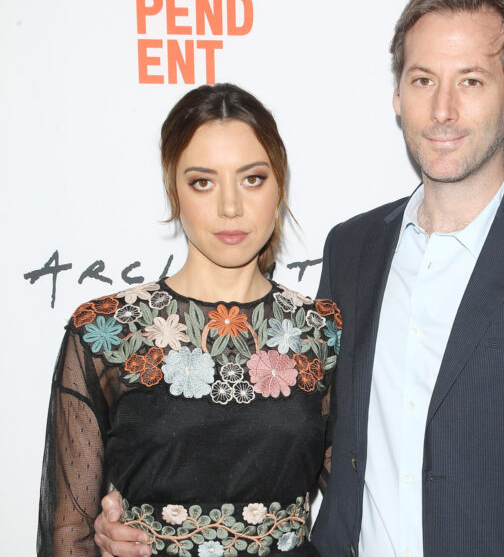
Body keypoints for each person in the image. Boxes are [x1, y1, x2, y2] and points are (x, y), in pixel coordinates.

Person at [94, 0, 504, 557]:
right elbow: (296, 444)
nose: (442, 110)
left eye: (470, 80)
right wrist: (143, 515)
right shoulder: (353, 248)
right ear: (396, 94)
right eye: (422, 80)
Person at [37, 83, 340, 557]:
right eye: (203, 181)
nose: (230, 207)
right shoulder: (106, 332)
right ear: (173, 189)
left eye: (252, 178)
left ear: (279, 183)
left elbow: (362, 502)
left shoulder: (321, 333)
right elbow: (69, 534)